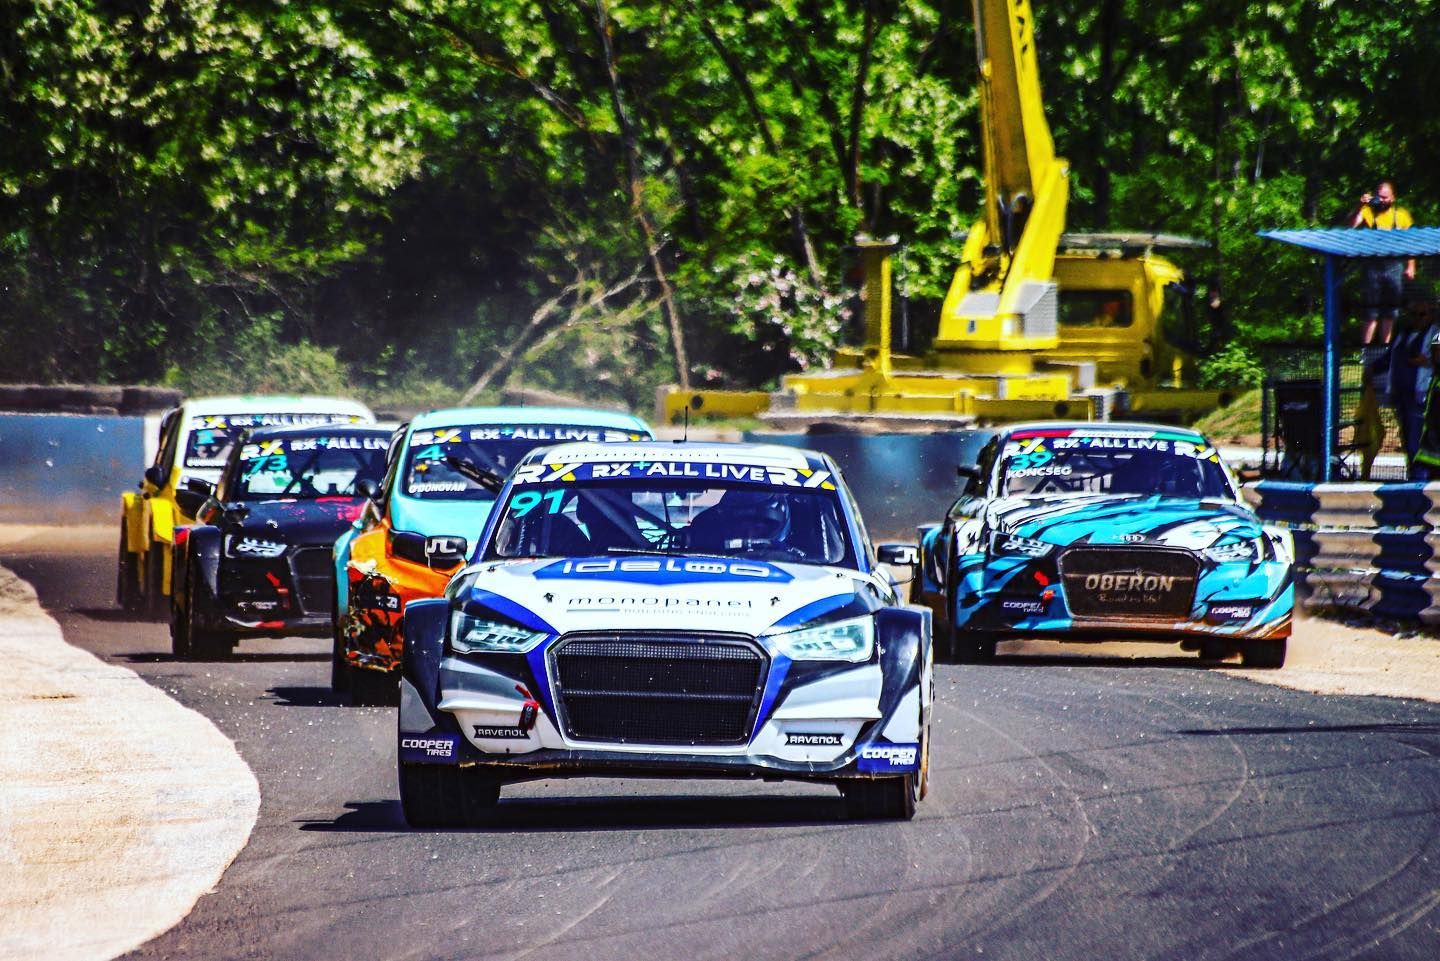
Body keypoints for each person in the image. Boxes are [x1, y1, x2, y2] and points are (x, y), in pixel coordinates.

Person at [1351, 180, 1416, 345]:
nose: (1382, 200)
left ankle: (1385, 348)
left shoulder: (1401, 215)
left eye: (1385, 197)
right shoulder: (1366, 211)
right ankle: (1365, 350)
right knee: (1370, 312)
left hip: (1394, 266)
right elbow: (1350, 226)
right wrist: (1359, 206)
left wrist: (1410, 266)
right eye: (1379, 197)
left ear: (1393, 198)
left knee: (1390, 312)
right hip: (1372, 267)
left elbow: (1411, 243)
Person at [1388, 289, 1439, 479]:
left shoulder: (1435, 333)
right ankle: (1415, 476)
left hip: (1422, 396)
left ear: (1431, 314)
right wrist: (1371, 369)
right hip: (1402, 395)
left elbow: (1432, 359)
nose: (1417, 319)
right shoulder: (1403, 335)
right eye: (1413, 314)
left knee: (1419, 440)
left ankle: (1420, 478)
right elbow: (1390, 358)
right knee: (1409, 440)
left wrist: (1429, 361)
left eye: (1422, 314)